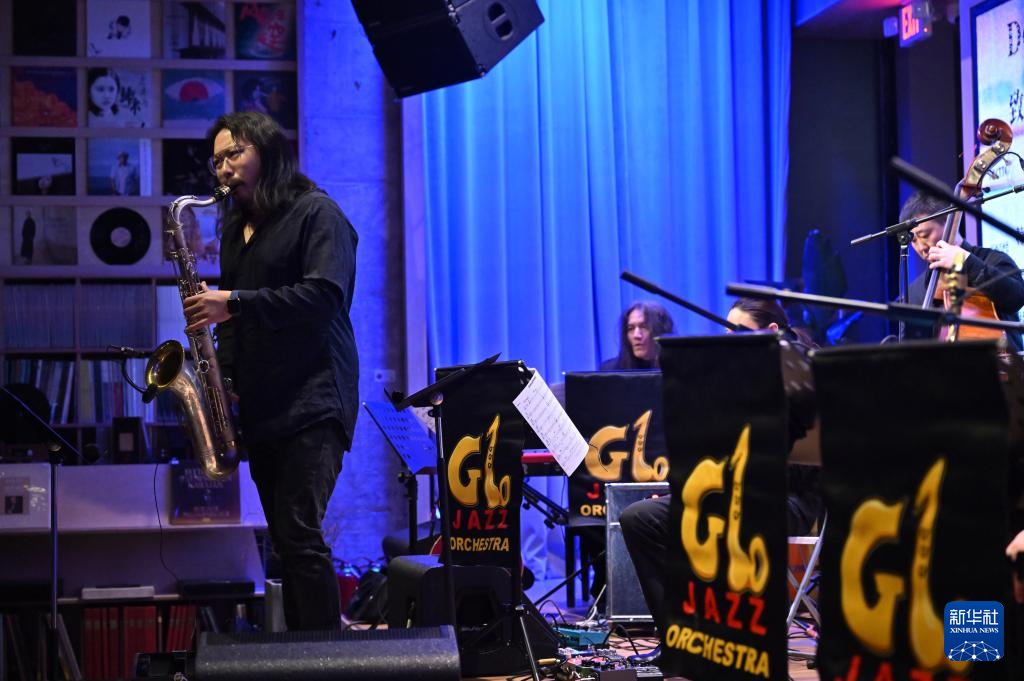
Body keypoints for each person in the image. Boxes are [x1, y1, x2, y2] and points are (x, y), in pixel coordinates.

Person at [182, 111, 359, 631]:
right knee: (283, 539)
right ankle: (303, 652)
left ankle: (326, 659)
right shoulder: (235, 231)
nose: (222, 168)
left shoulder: (317, 213)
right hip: (264, 405)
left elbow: (324, 296)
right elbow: (234, 325)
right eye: (216, 160)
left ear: (268, 152)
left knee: (299, 530)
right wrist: (225, 379)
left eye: (233, 154)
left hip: (315, 397)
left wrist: (233, 301)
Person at [620, 297, 823, 663]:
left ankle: (732, 643)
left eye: (737, 331)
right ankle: (680, 642)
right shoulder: (737, 377)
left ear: (771, 331)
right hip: (732, 492)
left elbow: (800, 467)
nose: (728, 339)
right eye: (726, 331)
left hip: (787, 499)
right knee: (640, 518)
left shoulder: (805, 375)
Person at [902, 190, 1024, 350]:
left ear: (950, 221)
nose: (920, 247)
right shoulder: (915, 292)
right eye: (914, 240)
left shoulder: (993, 260)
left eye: (925, 235)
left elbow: (1016, 298)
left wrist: (966, 262)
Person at [600, 301, 675, 369]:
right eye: (631, 328)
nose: (636, 335)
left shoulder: (677, 367)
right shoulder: (610, 370)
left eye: (644, 327)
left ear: (660, 331)